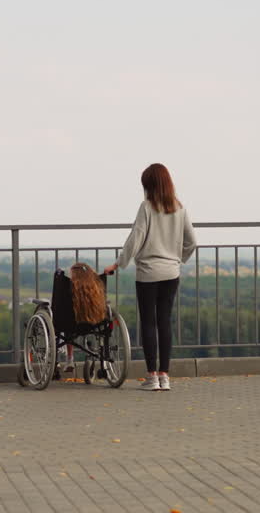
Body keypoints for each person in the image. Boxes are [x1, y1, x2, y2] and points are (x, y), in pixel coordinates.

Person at [104, 163, 196, 392]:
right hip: (171, 273)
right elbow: (192, 242)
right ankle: (165, 376)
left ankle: (151, 376)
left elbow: (136, 238)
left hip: (148, 274)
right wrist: (177, 260)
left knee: (148, 322)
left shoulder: (146, 208)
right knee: (164, 321)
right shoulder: (179, 208)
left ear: (149, 185)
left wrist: (119, 262)